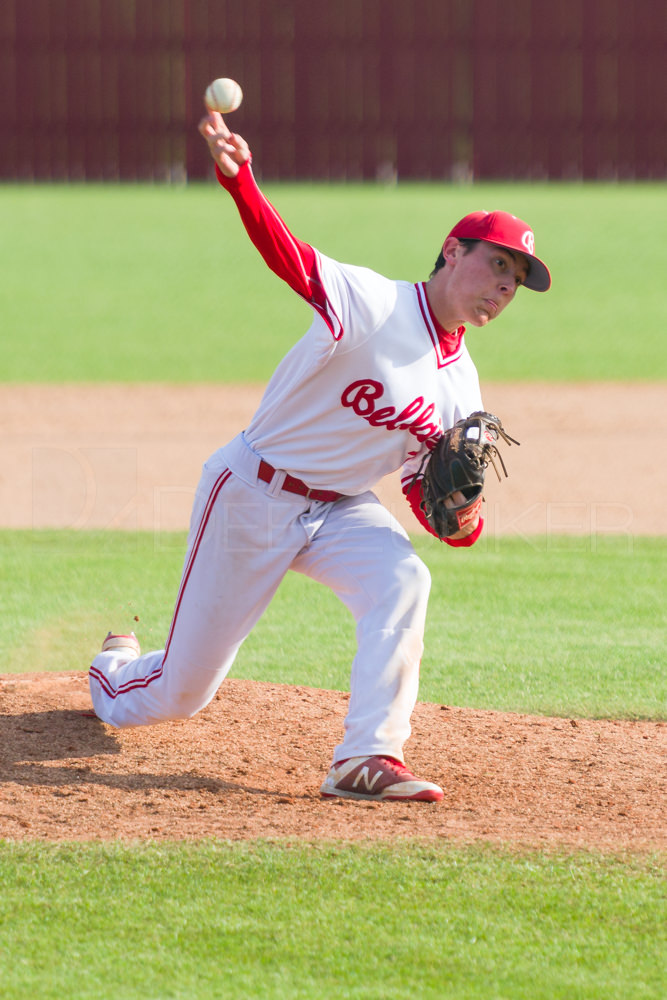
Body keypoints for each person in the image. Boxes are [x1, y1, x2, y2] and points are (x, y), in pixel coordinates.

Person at [89, 110, 551, 803]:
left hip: (338, 510)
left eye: (514, 281)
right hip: (252, 494)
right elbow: (291, 260)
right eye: (495, 265)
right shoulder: (373, 302)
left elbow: (432, 501)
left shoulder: (462, 387)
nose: (501, 288)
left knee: (403, 582)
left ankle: (365, 757)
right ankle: (114, 665)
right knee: (177, 696)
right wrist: (239, 181)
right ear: (452, 252)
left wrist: (460, 517)